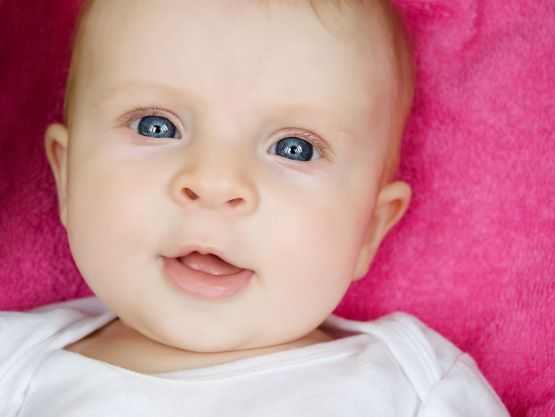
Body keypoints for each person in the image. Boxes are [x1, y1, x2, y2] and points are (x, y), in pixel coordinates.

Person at [0, 0, 510, 415]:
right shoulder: (14, 363)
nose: (215, 183)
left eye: (295, 148)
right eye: (157, 126)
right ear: (67, 178)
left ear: (369, 230)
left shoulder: (416, 385)